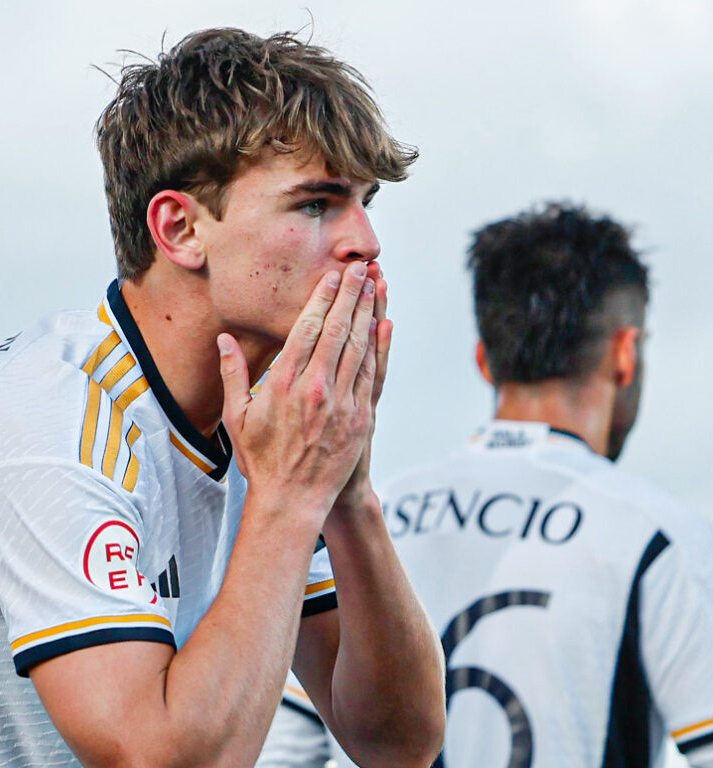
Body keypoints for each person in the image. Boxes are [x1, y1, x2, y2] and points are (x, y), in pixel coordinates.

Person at [0, 28, 445, 768]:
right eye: (315, 205)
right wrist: (290, 497)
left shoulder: (272, 425)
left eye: (365, 204)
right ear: (179, 229)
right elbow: (160, 759)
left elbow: (399, 742)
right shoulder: (51, 426)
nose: (364, 241)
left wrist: (349, 496)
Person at [263, 202, 713, 768]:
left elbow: (283, 754)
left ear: (484, 360)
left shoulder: (366, 517)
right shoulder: (659, 535)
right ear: (624, 354)